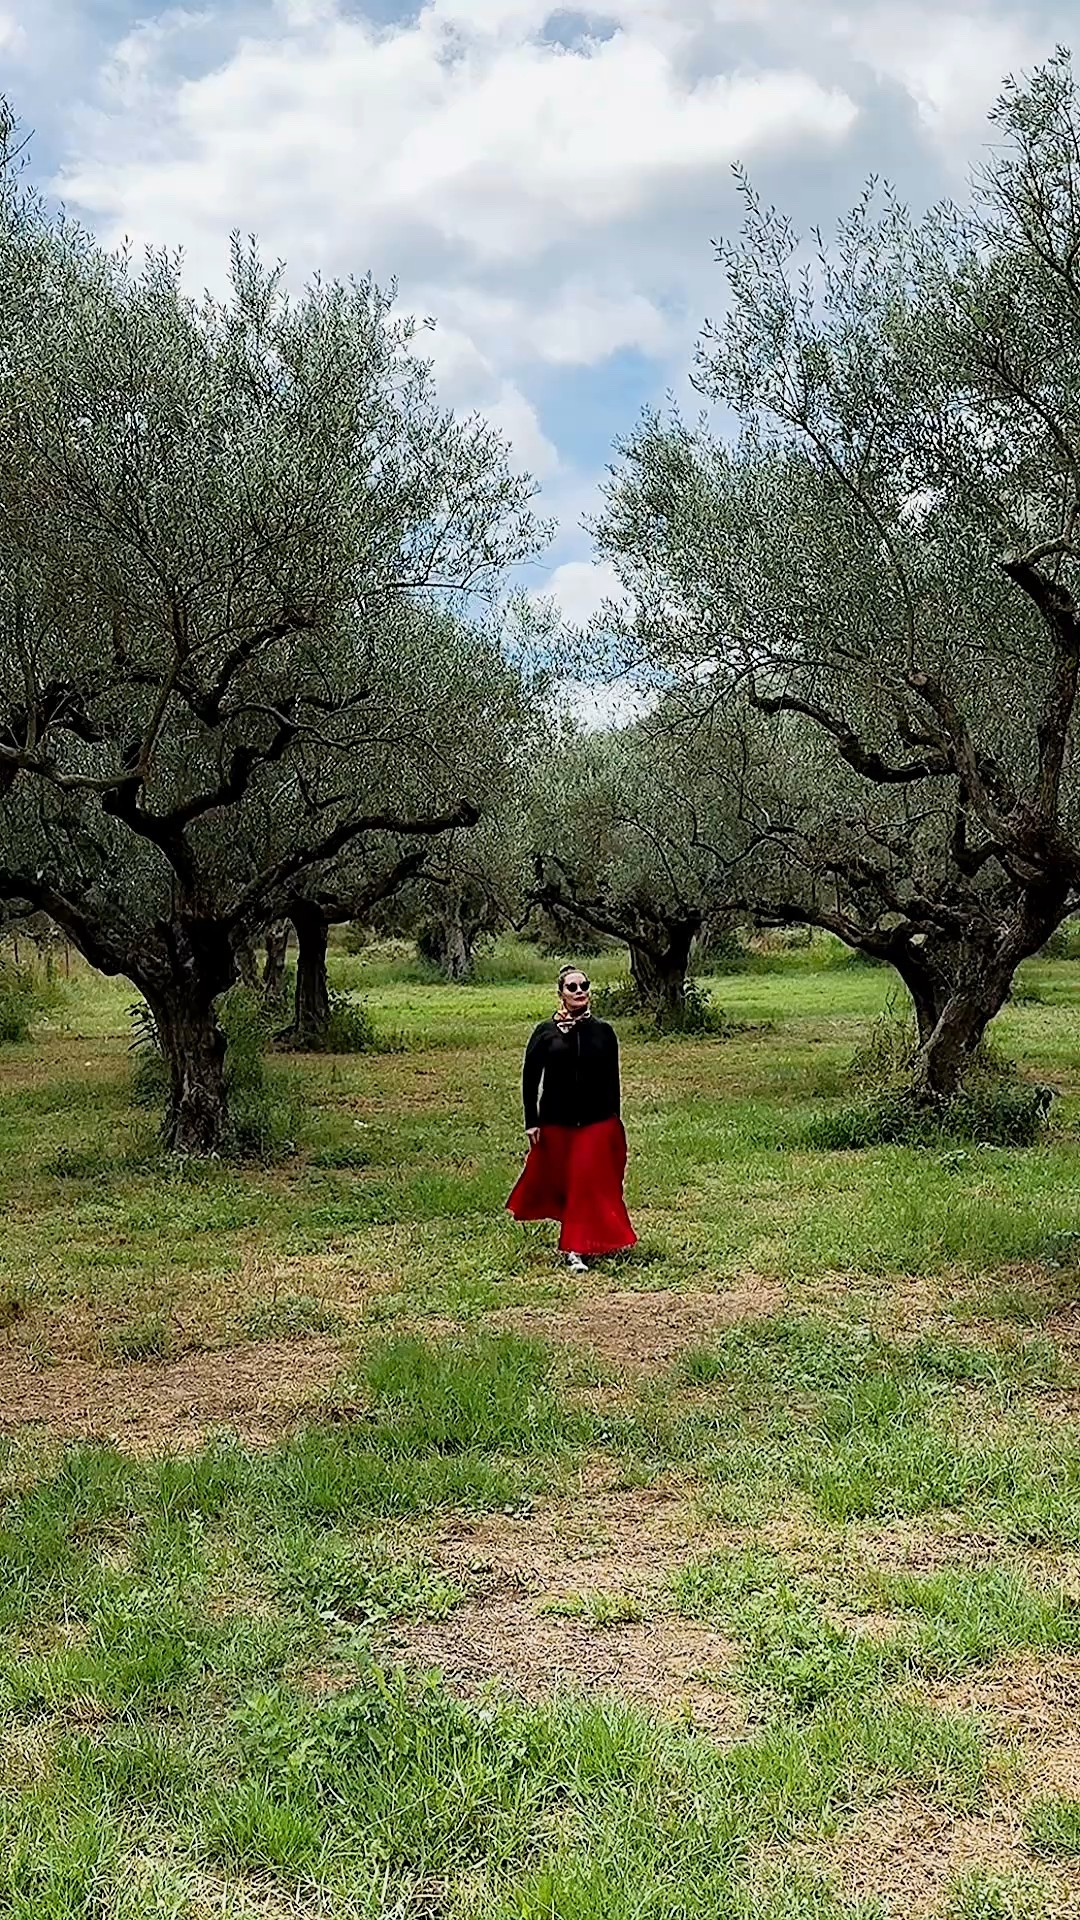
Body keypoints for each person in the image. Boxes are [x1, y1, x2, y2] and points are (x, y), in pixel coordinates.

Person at [506, 963, 637, 1272]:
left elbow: (611, 1079)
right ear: (561, 994)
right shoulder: (545, 1032)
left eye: (584, 986)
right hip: (557, 1121)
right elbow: (530, 1078)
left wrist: (614, 1123)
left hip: (596, 1122)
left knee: (588, 1183)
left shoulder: (603, 1032)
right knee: (566, 1183)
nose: (580, 992)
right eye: (573, 987)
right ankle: (579, 1244)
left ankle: (575, 1249)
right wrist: (531, 1121)